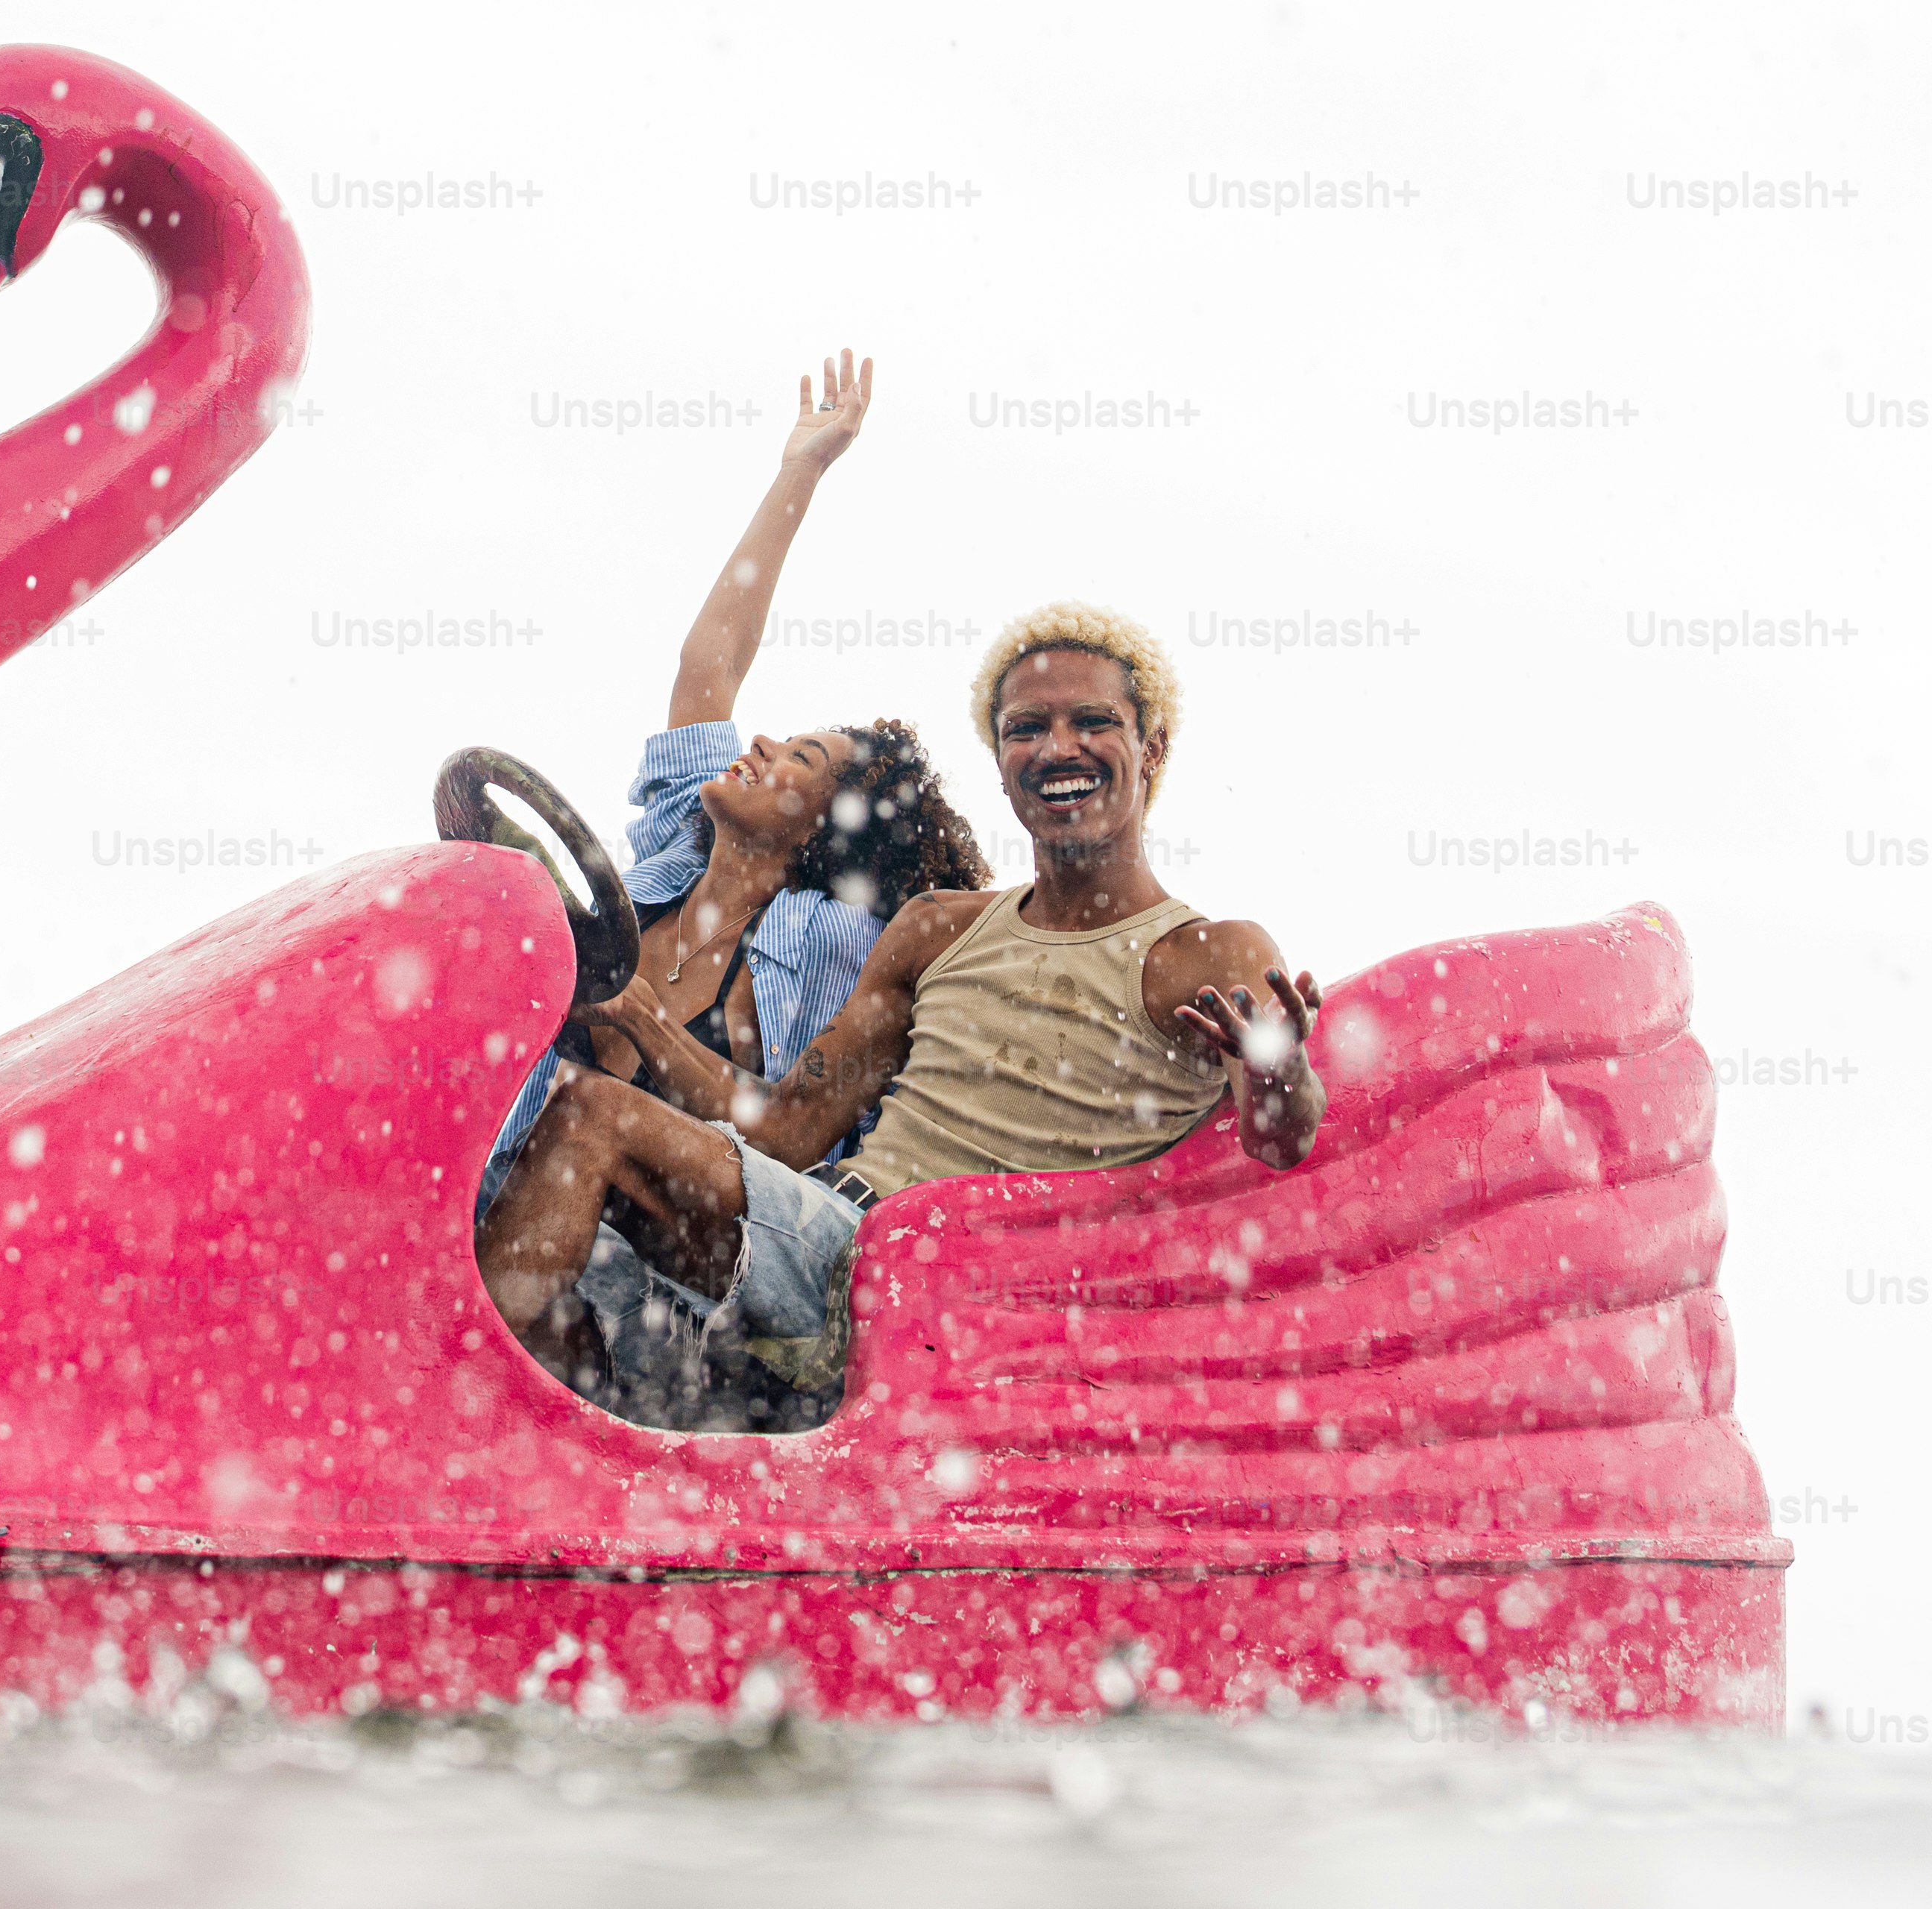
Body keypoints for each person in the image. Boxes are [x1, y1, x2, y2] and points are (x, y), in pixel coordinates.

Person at [479, 603, 1328, 1424]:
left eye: (1090, 721)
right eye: (1025, 728)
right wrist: (646, 1022)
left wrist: (1276, 1076)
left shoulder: (1208, 952)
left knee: (590, 1119)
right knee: (548, 1213)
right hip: (836, 1240)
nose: (1056, 747)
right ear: (999, 763)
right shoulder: (937, 929)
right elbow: (786, 1132)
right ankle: (516, 1471)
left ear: (1152, 746)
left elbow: (1283, 1136)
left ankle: (460, 1414)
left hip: (961, 1290)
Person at [468, 351, 990, 1426]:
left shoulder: (844, 943)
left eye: (798, 759)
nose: (757, 743)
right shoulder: (665, 849)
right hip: (510, 1215)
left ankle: (466, 1412)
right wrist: (800, 467)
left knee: (584, 1129)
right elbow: (708, 659)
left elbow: (790, 1132)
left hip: (690, 1277)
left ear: (828, 831)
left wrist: (649, 1024)